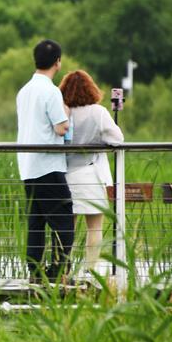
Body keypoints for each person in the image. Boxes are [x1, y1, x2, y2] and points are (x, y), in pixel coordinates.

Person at [16, 39, 73, 282]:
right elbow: (61, 128)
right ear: (57, 62)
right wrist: (67, 115)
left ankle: (35, 272)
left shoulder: (24, 91)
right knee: (63, 220)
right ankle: (58, 273)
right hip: (48, 166)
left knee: (36, 222)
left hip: (27, 165)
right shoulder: (51, 91)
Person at [58, 70, 124, 274]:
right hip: (90, 175)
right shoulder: (98, 112)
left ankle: (63, 269)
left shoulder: (63, 112)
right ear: (90, 89)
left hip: (65, 175)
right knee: (94, 227)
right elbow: (117, 139)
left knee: (66, 227)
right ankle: (90, 270)